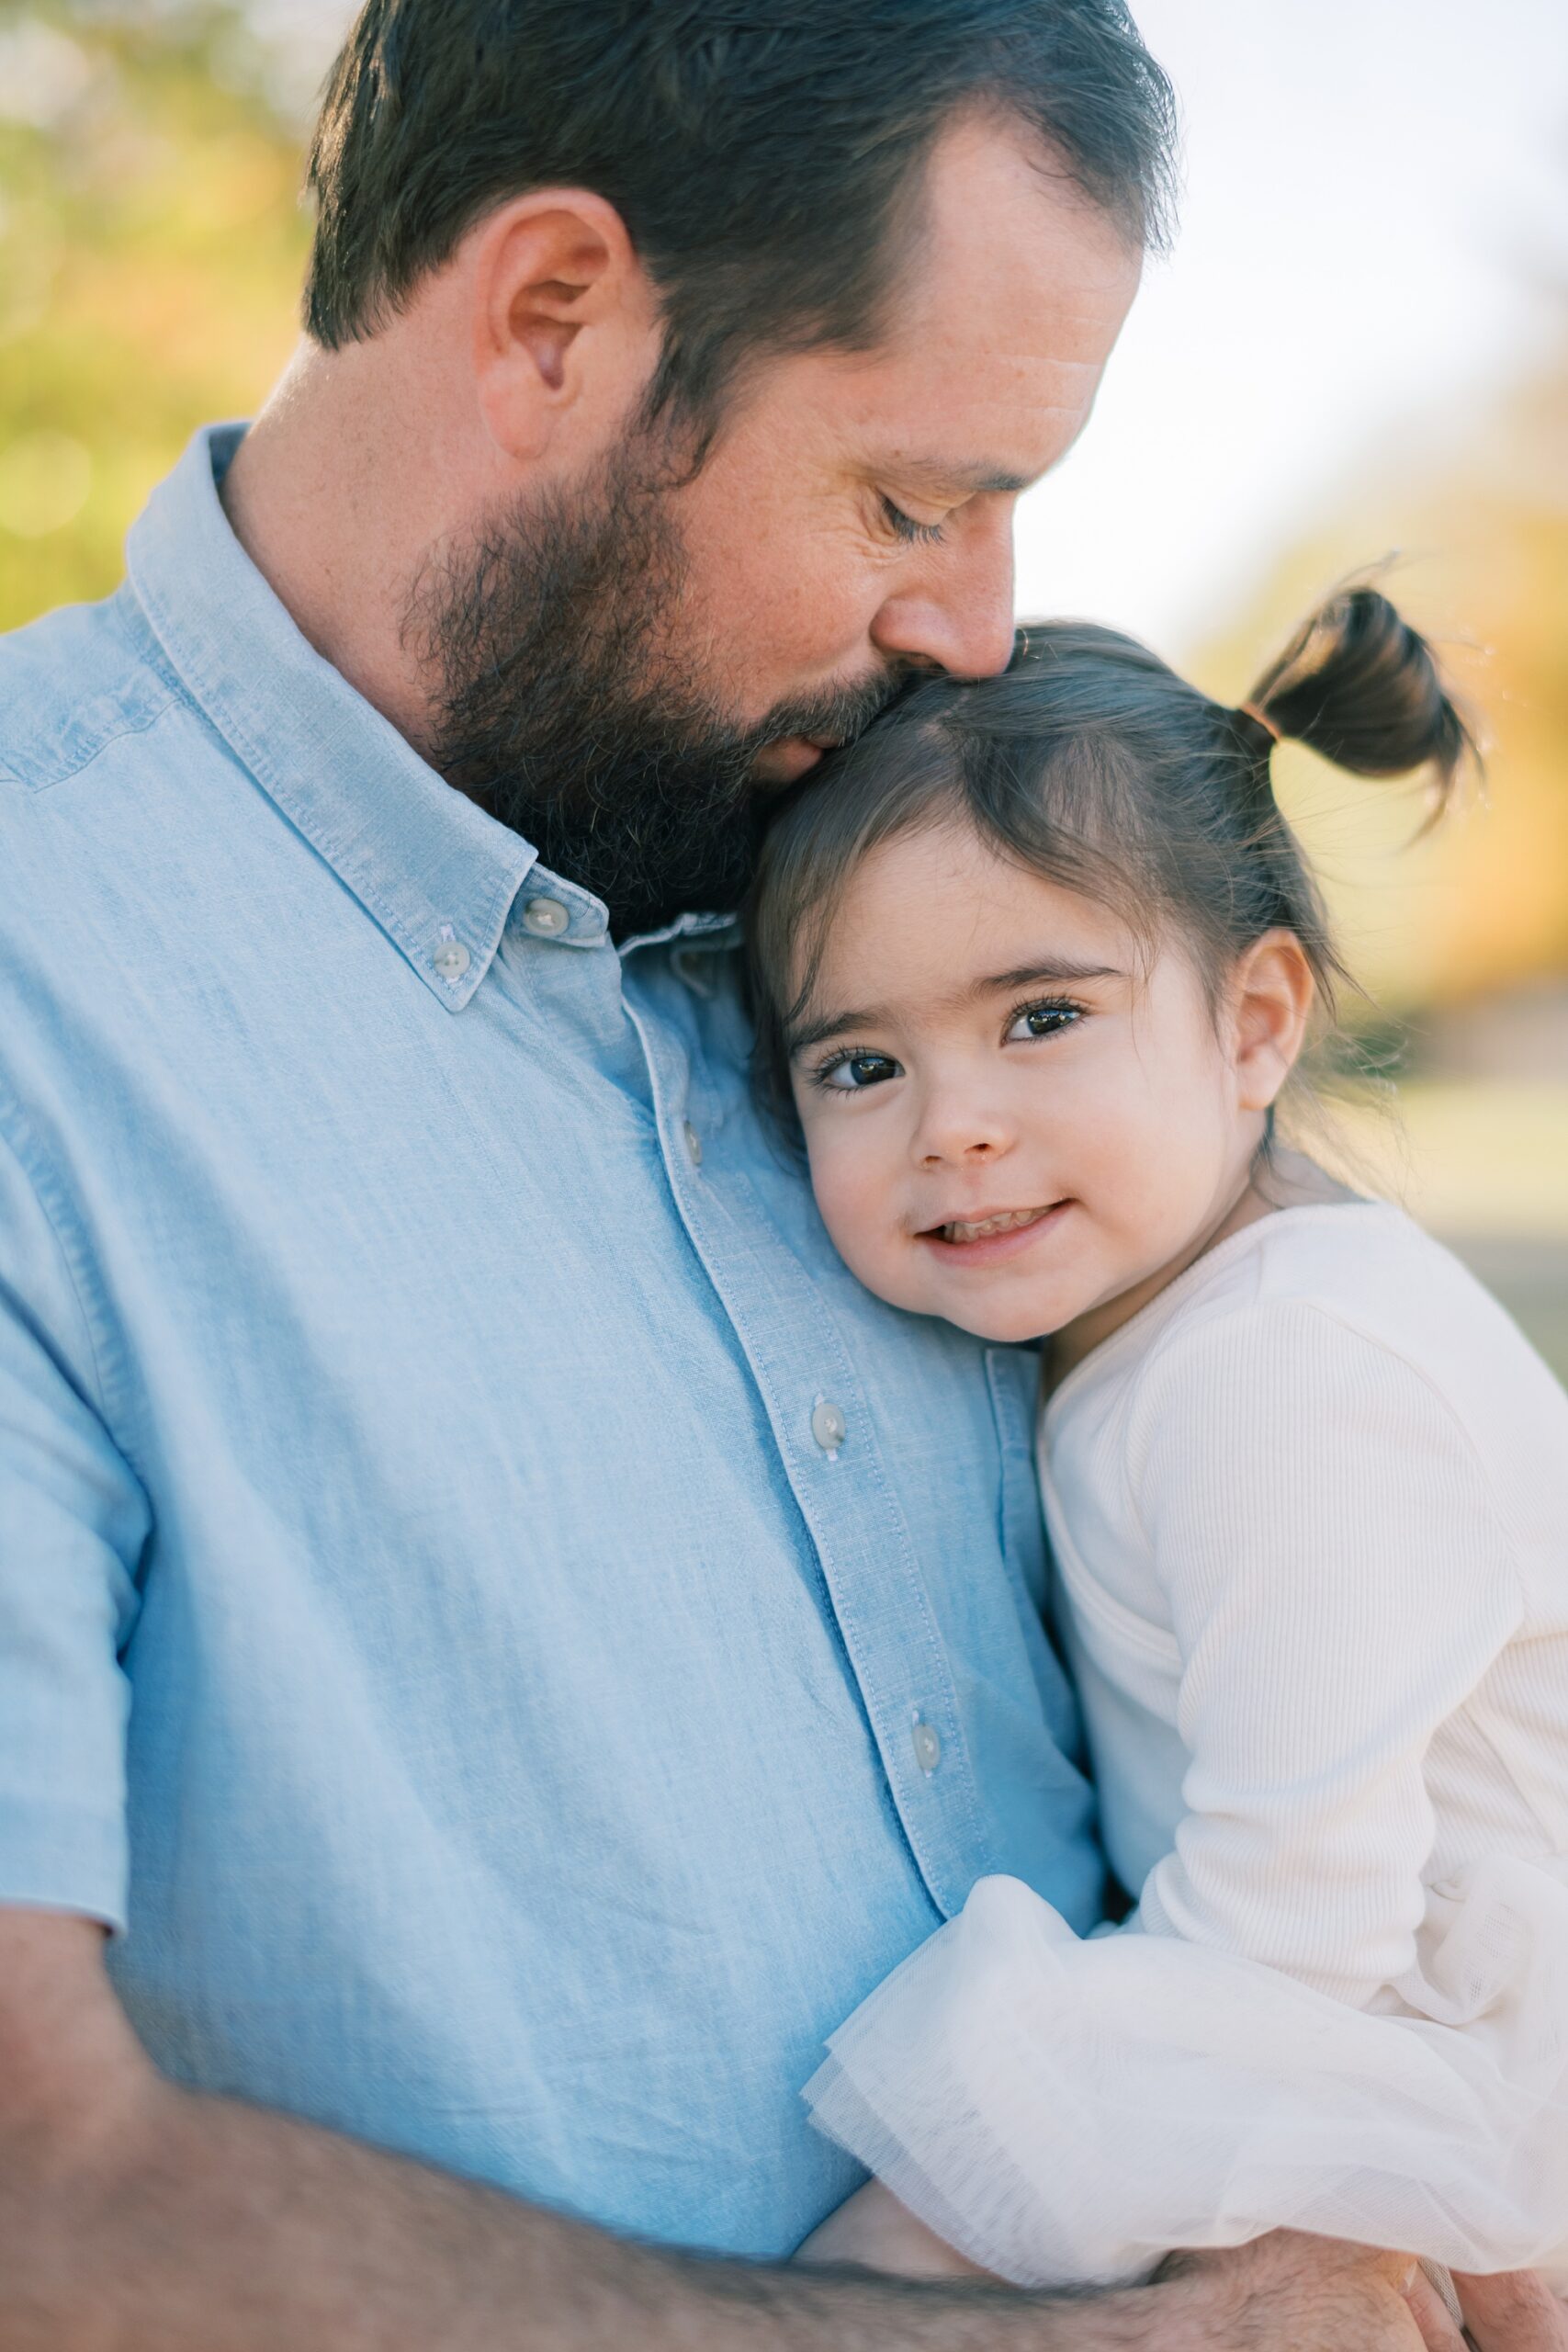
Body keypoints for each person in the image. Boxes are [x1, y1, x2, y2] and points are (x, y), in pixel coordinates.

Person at [0, 0, 1548, 2337]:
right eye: (913, 499)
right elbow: (39, 2199)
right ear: (550, 321)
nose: (973, 623)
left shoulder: (867, 867)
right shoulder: (48, 987)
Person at [742, 590, 1568, 2308]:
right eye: (860, 1061)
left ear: (1255, 1025)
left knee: (904, 2223)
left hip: (1469, 2078)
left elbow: (1299, 1925)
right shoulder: (1161, 1328)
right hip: (1357, 2020)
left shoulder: (1286, 1369)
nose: (954, 1120)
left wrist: (914, 2244)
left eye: (1042, 1017)